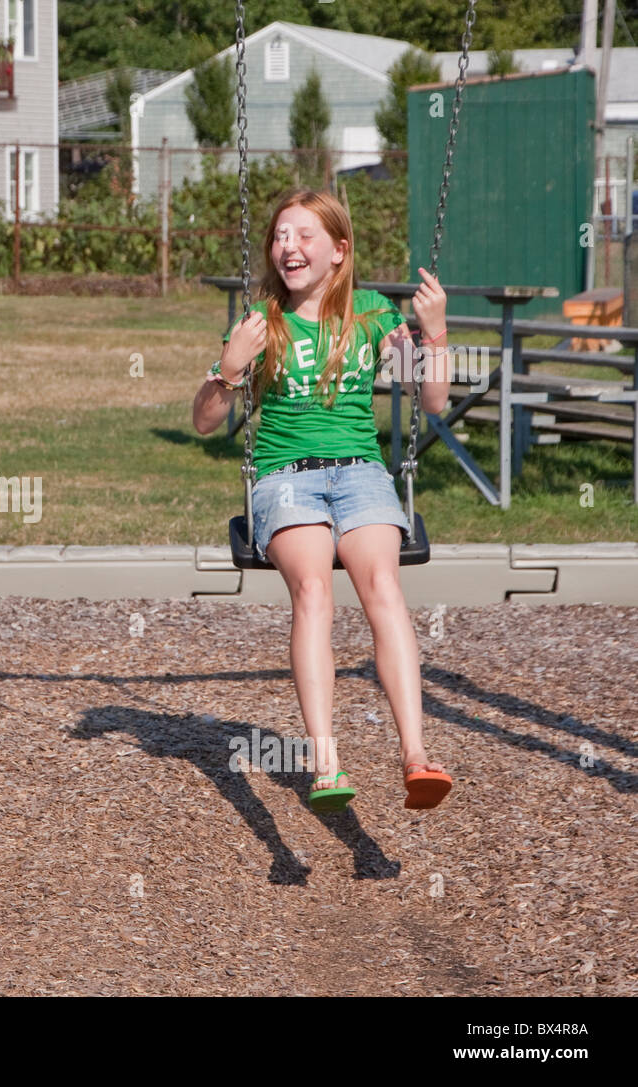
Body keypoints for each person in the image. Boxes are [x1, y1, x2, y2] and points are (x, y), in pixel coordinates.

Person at [193, 188, 452, 813]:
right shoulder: (261, 322)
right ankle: (325, 761)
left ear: (339, 250)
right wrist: (229, 370)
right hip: (287, 477)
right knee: (313, 590)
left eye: (304, 236)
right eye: (281, 236)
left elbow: (434, 399)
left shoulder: (372, 313)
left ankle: (415, 755)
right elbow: (204, 420)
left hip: (361, 472)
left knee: (381, 586)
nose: (289, 247)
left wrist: (436, 331)